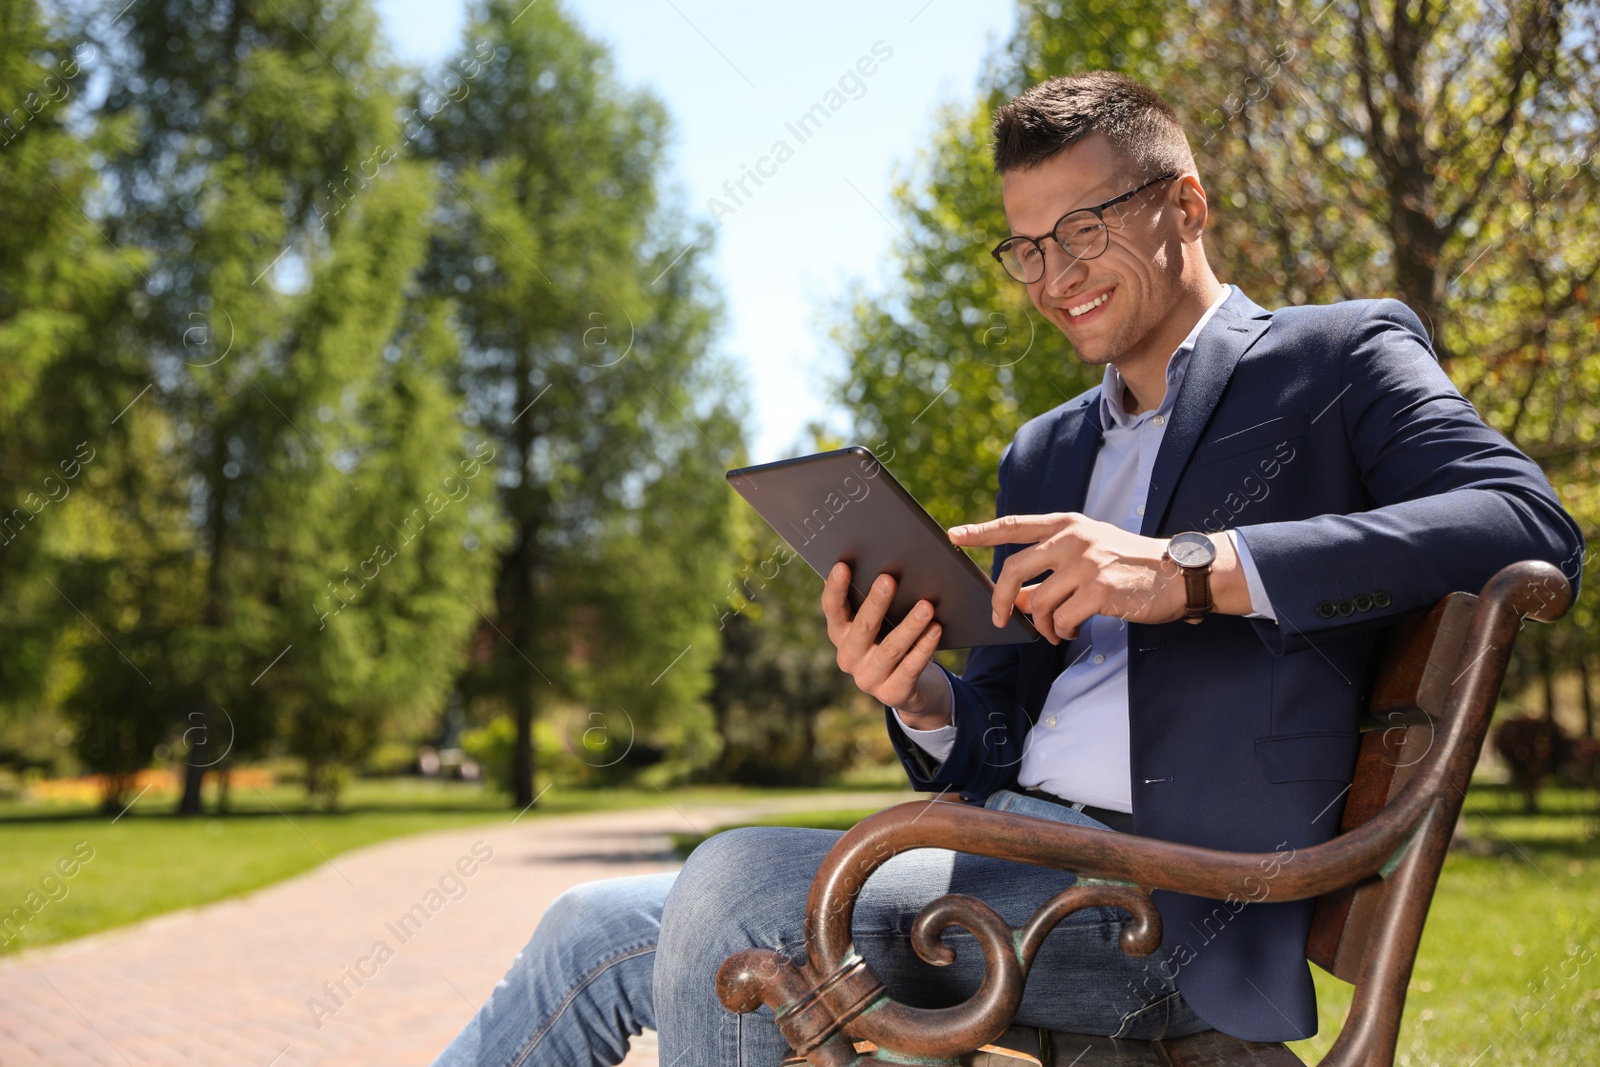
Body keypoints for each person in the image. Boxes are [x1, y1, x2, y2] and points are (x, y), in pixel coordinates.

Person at [430, 71, 1583, 1066]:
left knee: (734, 887)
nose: (1050, 275)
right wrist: (921, 695)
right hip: (1005, 853)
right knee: (589, 921)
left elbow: (1523, 520)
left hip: (1167, 900)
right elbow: (1001, 731)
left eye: (1082, 231)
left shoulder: (1336, 357)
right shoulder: (1045, 448)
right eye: (1026, 246)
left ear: (1185, 204)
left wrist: (1191, 567)